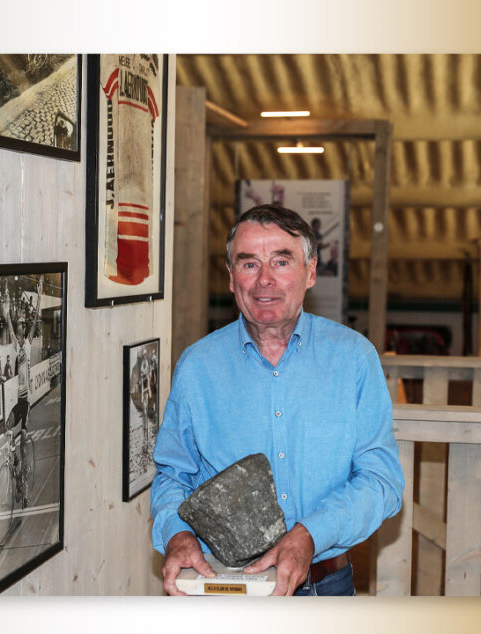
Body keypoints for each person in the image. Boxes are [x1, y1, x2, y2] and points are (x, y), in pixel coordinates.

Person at [150, 204, 404, 596]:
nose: (264, 280)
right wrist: (177, 534)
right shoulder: (197, 366)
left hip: (324, 586)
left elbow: (381, 480)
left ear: (311, 272)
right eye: (249, 264)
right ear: (232, 278)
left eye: (281, 262)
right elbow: (172, 475)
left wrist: (309, 535)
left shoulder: (354, 358)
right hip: (223, 586)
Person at [3, 282, 41, 500]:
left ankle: (24, 475)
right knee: (7, 427)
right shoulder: (17, 348)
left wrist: (39, 296)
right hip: (17, 401)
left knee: (24, 438)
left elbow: (35, 320)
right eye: (16, 333)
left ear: (23, 333)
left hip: (26, 402)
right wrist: (7, 308)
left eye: (20, 331)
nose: (18, 335)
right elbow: (8, 324)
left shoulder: (26, 345)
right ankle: (16, 466)